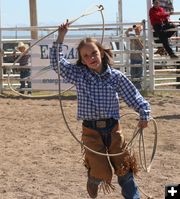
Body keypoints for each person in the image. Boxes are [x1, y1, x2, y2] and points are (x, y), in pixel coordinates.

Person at [50, 20, 151, 199]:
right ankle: (94, 178)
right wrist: (61, 36)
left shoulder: (116, 77)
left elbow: (133, 95)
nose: (91, 58)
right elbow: (57, 63)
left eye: (94, 53)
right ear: (82, 60)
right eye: (86, 56)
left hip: (113, 128)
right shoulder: (79, 75)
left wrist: (144, 112)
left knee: (124, 169)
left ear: (102, 53)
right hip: (91, 131)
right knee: (100, 170)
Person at [125, 24, 144, 90]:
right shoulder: (132, 36)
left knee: (139, 74)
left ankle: (139, 88)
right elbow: (126, 34)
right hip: (133, 58)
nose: (137, 31)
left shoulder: (141, 37)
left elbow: (142, 47)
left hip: (139, 58)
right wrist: (128, 30)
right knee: (133, 73)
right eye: (136, 29)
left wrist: (137, 39)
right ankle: (134, 88)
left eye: (138, 29)